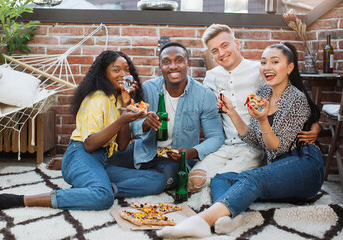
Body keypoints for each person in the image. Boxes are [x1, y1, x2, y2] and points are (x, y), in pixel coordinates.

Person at [157, 42, 324, 239]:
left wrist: (262, 120)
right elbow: (253, 139)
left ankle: (201, 221)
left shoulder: (295, 99)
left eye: (275, 62)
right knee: (221, 178)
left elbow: (277, 149)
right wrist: (232, 112)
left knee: (251, 177)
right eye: (263, 62)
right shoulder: (262, 94)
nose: (267, 67)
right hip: (278, 169)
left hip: (304, 165)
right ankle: (224, 218)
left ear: (289, 67)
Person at [0, 50, 166, 213]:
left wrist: (126, 105)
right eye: (116, 70)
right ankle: (20, 200)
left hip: (100, 161)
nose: (124, 75)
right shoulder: (97, 98)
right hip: (80, 156)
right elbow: (89, 145)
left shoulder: (119, 101)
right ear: (104, 74)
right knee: (103, 199)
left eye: (127, 70)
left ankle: (96, 189)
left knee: (157, 180)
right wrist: (121, 120)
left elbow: (123, 145)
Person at [188, 24, 321, 192]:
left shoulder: (261, 71)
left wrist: (316, 125)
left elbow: (294, 100)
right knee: (194, 182)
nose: (221, 53)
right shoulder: (211, 77)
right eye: (214, 51)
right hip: (224, 146)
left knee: (221, 182)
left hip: (254, 148)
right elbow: (201, 107)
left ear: (237, 43)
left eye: (225, 45)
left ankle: (221, 207)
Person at [126, 41, 224, 190]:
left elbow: (216, 137)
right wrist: (145, 125)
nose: (172, 66)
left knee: (169, 177)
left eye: (179, 60)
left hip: (175, 161)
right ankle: (138, 180)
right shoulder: (148, 89)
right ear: (160, 66)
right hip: (145, 153)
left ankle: (113, 185)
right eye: (166, 62)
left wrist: (191, 153)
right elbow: (132, 127)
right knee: (107, 160)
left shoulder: (204, 95)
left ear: (188, 63)